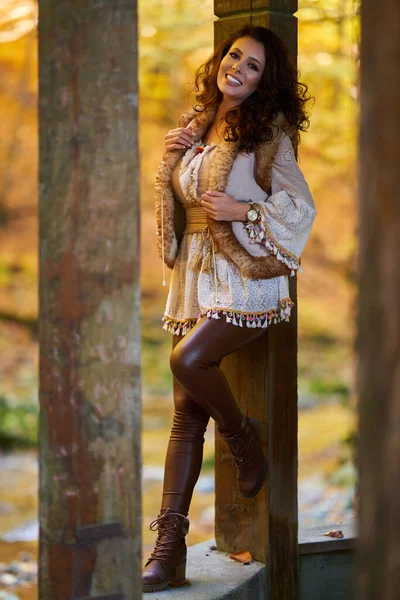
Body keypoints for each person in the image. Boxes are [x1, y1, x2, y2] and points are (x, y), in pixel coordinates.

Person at [142, 24, 317, 593]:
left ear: (267, 81)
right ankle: (168, 554)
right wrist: (169, 163)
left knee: (188, 362)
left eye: (254, 65)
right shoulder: (195, 126)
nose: (237, 68)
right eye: (233, 55)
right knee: (184, 415)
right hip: (195, 274)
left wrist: (244, 210)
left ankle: (243, 441)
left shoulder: (268, 132)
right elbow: (180, 202)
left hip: (243, 275)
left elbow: (300, 207)